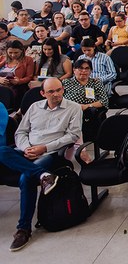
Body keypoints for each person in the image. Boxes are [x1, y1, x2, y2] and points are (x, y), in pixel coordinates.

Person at [0, 78, 82, 251]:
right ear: (43, 93)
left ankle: (23, 229)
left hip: (51, 153)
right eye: (51, 91)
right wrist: (27, 148)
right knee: (2, 151)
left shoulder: (73, 108)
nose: (56, 94)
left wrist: (43, 148)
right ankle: (43, 175)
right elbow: (21, 132)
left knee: (26, 178)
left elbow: (72, 136)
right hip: (27, 150)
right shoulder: (34, 107)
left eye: (59, 90)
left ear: (63, 90)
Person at [0, 40, 35, 107]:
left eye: (16, 52)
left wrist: (19, 81)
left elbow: (29, 76)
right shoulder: (2, 58)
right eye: (10, 53)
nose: (13, 55)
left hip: (15, 87)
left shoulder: (28, 60)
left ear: (22, 51)